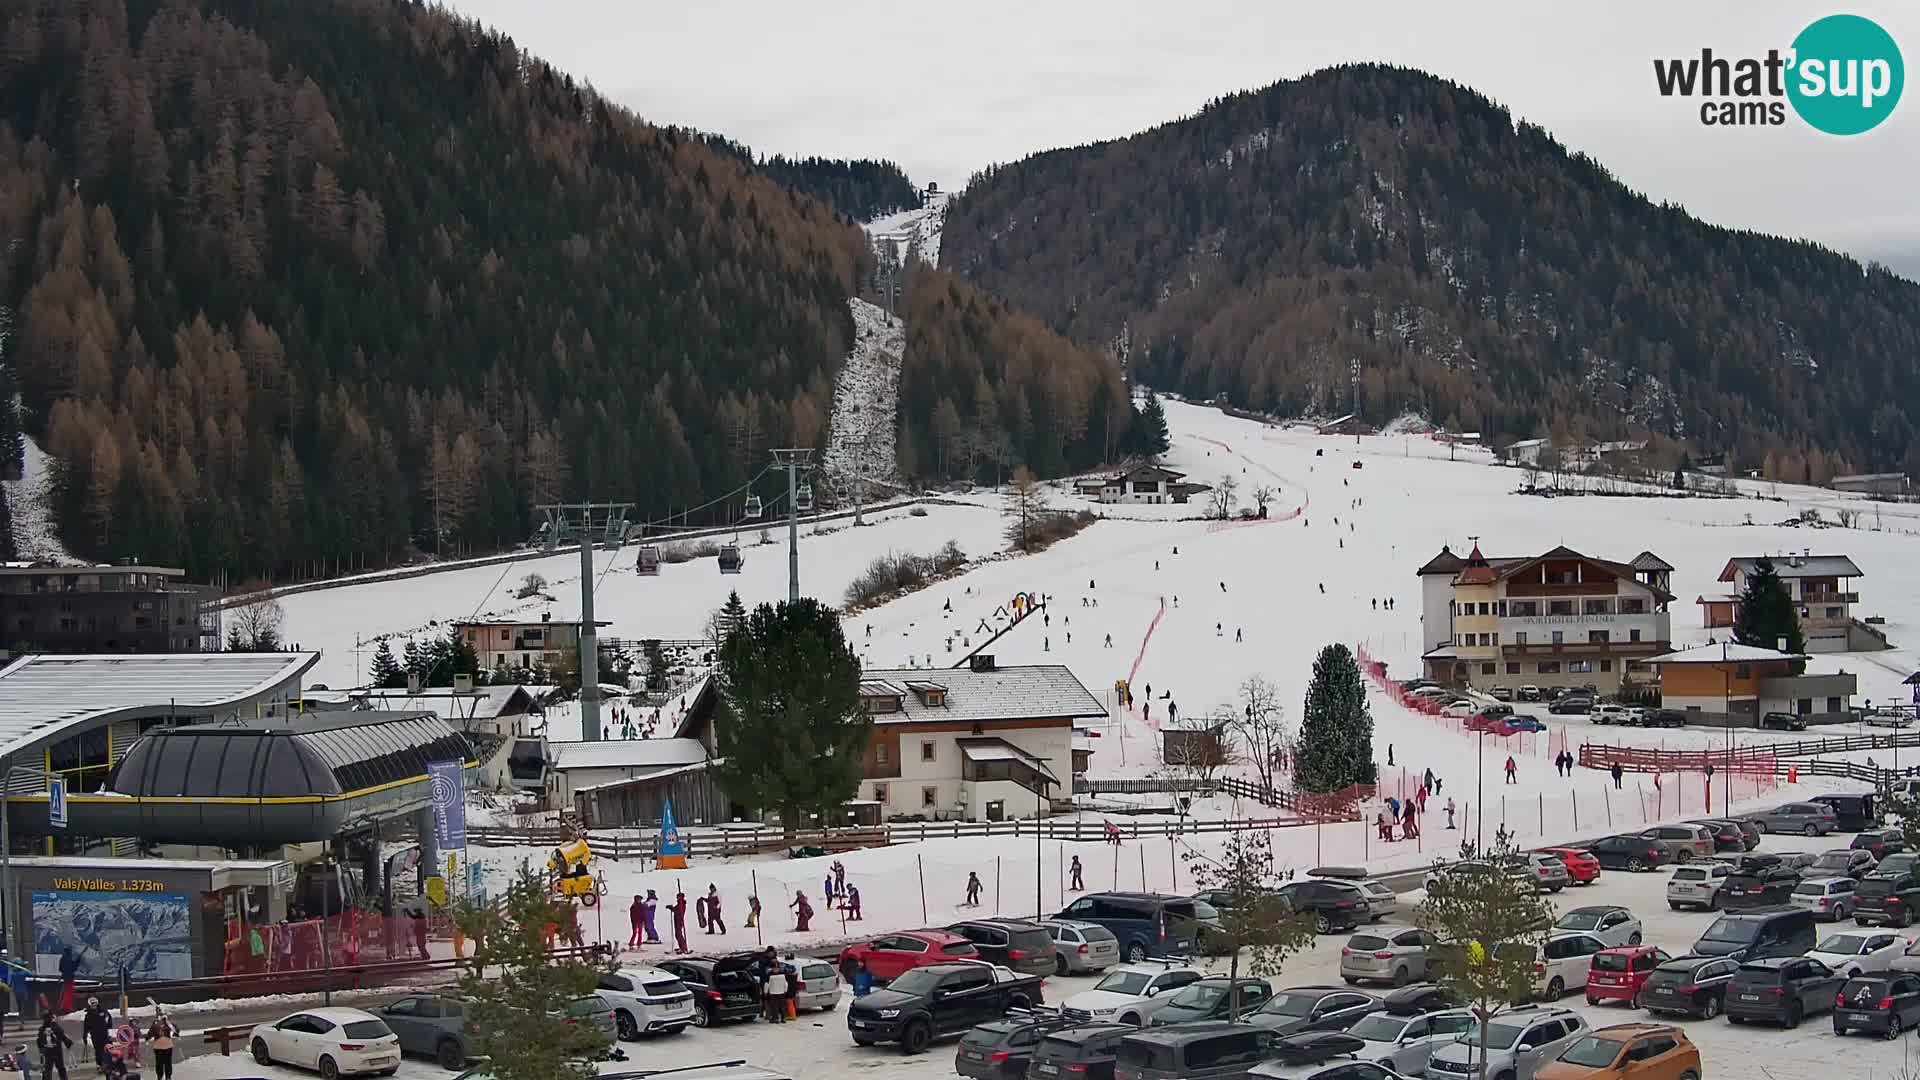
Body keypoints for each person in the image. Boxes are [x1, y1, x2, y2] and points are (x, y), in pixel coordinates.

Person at [37, 1014, 72, 1080]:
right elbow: (62, 1036)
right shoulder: (56, 1027)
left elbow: (39, 1041)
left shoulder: (42, 1029)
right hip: (57, 1050)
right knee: (60, 1067)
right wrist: (68, 1043)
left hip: (47, 1050)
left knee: (47, 1068)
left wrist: (41, 1049)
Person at [82, 999, 111, 1071]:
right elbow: (86, 1027)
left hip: (104, 1033)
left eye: (95, 1004)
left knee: (106, 1048)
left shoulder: (103, 1012)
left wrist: (108, 1026)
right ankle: (99, 1064)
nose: (94, 1006)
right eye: (92, 1005)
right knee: (98, 1050)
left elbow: (109, 1018)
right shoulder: (88, 1015)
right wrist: (85, 1036)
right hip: (95, 1035)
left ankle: (107, 1063)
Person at [147, 1014, 178, 1080]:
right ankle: (162, 1076)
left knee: (165, 1063)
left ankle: (166, 1076)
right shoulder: (157, 1024)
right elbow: (150, 1033)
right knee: (162, 1063)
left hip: (166, 1046)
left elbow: (175, 1030)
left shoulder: (168, 1024)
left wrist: (147, 1038)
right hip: (160, 1047)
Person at [762, 958, 788, 1023]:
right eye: (775, 968)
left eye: (776, 968)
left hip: (773, 993)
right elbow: (786, 983)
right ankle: (783, 1018)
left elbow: (766, 984)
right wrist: (785, 990)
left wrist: (765, 992)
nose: (776, 969)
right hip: (781, 992)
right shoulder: (783, 974)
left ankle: (775, 1018)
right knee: (782, 1006)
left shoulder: (769, 974)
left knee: (774, 1006)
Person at [57, 947, 80, 1013]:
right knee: (69, 993)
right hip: (69, 978)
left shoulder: (62, 959)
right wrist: (78, 960)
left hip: (64, 977)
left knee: (65, 992)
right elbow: (73, 967)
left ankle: (63, 1006)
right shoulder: (68, 959)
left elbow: (60, 969)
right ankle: (66, 1007)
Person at [669, 889, 690, 954]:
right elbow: (675, 909)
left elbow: (678, 911)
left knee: (679, 934)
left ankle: (683, 948)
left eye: (678, 897)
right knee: (677, 934)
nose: (677, 898)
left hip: (679, 920)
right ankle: (681, 947)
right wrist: (671, 908)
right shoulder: (679, 903)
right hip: (677, 919)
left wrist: (673, 909)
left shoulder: (682, 904)